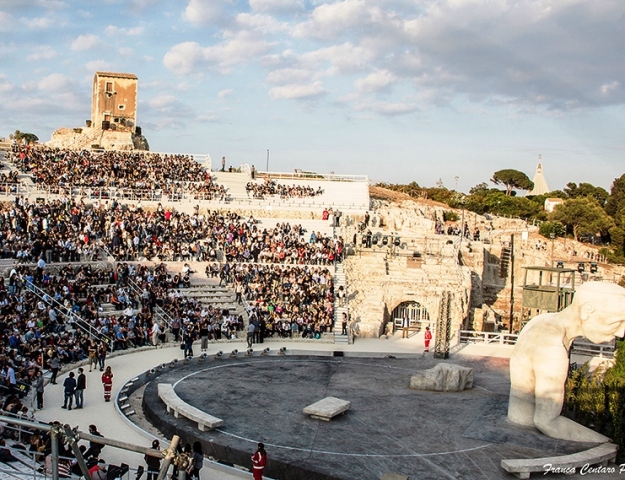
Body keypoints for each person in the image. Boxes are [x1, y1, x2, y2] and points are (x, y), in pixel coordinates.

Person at [508, 281, 625, 443]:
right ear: (587, 311)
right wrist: (607, 442)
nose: (621, 332)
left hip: (517, 425)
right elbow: (547, 421)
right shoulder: (552, 348)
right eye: (617, 322)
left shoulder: (542, 320)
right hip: (525, 442)